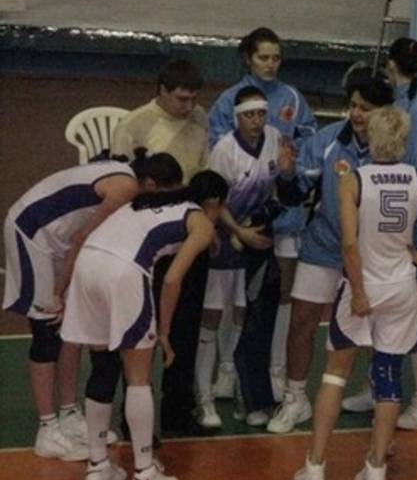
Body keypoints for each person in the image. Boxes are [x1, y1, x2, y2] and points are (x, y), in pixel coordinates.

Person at [293, 106, 417, 480]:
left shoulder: (354, 179)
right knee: (388, 375)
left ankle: (315, 465)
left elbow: (349, 243)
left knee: (335, 374)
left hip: (365, 285)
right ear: (404, 139)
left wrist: (357, 292)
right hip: (402, 287)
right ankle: (376, 469)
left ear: (371, 137)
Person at [60, 170, 228, 480]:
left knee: (102, 367)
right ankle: (145, 473)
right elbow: (172, 280)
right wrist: (164, 332)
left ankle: (97, 466)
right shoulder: (201, 222)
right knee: (138, 377)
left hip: (87, 265)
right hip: (124, 271)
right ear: (215, 203)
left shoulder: (150, 202)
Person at [2, 151, 178, 460]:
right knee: (46, 331)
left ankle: (69, 414)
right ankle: (47, 430)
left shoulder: (127, 176)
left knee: (71, 330)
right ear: (150, 184)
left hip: (58, 238)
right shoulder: (126, 188)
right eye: (166, 194)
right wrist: (59, 290)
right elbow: (83, 236)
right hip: (31, 232)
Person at [266, 74, 395, 434]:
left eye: (366, 108)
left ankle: (376, 392)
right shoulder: (327, 140)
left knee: (379, 328)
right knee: (302, 321)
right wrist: (287, 175)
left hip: (373, 256)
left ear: (384, 112)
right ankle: (295, 398)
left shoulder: (395, 147)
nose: (356, 114)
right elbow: (295, 193)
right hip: (323, 246)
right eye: (353, 106)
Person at [207, 27, 318, 401]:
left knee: (282, 294)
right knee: (234, 297)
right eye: (263, 57)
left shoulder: (293, 98)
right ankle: (228, 369)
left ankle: (276, 370)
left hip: (283, 216)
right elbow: (220, 154)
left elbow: (308, 141)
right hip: (238, 222)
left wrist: (290, 161)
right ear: (248, 59)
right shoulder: (228, 101)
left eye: (276, 58)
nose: (270, 64)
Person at [340, 38, 417, 431]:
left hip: (404, 230)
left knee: (411, 315)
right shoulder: (408, 102)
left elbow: (413, 172)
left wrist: (415, 239)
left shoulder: (414, 110)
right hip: (392, 227)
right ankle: (376, 386)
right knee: (384, 313)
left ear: (392, 65)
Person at [111, 58, 211, 432]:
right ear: (162, 91)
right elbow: (122, 185)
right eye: (182, 99)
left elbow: (205, 173)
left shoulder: (200, 119)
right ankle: (134, 416)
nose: (189, 106)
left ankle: (177, 412)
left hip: (189, 229)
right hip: (148, 236)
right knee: (142, 328)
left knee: (185, 326)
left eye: (194, 99)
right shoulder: (134, 125)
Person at [193, 87, 283, 428]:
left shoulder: (274, 139)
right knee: (213, 316)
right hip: (224, 240)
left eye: (261, 114)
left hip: (257, 238)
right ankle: (205, 399)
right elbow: (215, 202)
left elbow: (276, 187)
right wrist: (237, 232)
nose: (256, 121)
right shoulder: (224, 151)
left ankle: (241, 385)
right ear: (237, 117)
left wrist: (256, 228)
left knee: (247, 316)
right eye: (249, 115)